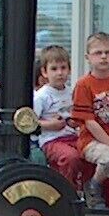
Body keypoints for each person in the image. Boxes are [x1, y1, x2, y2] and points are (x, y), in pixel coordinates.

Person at [70, 29, 109, 205]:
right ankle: (93, 186)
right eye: (98, 53)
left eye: (108, 52)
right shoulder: (84, 85)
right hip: (91, 140)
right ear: (88, 57)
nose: (104, 57)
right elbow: (90, 123)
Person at [34, 44, 81, 184]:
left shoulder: (72, 92)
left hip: (73, 136)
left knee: (89, 154)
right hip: (51, 140)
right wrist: (50, 125)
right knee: (70, 157)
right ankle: (66, 190)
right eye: (54, 69)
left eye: (63, 68)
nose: (59, 73)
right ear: (44, 72)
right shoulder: (41, 96)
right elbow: (31, 123)